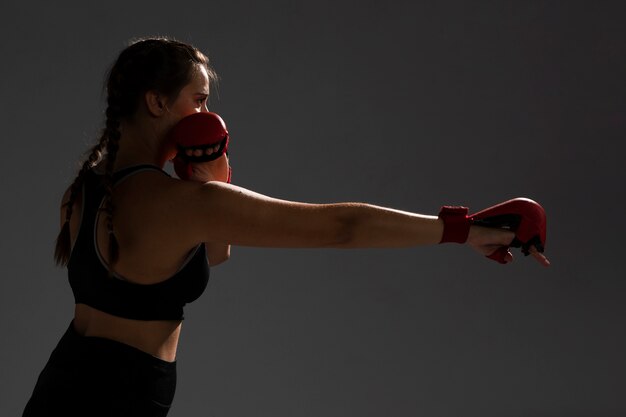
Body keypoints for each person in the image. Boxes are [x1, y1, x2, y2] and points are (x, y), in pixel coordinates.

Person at [22, 36, 549, 417]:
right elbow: (342, 226)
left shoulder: (87, 189)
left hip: (64, 382)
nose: (207, 111)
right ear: (158, 102)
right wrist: (464, 229)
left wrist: (214, 180)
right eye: (199, 100)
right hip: (121, 398)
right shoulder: (183, 203)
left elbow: (211, 255)